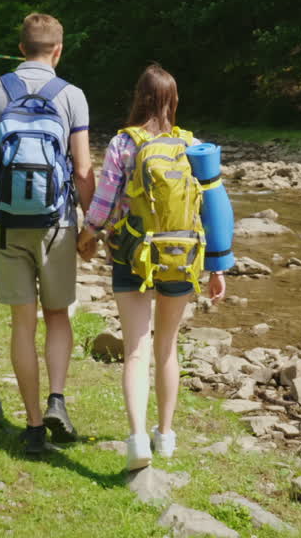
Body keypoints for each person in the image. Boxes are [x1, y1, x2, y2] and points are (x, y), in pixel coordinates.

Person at [77, 63, 225, 471]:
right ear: (173, 101)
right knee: (168, 349)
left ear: (138, 98)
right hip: (182, 257)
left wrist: (87, 233)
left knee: (137, 351)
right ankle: (167, 436)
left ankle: (138, 438)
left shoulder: (124, 143)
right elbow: (212, 210)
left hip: (132, 257)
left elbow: (105, 203)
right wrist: (217, 267)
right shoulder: (192, 145)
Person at [0, 13, 95, 457]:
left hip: (5, 221)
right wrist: (91, 225)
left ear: (20, 48)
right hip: (56, 223)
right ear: (58, 50)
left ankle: (35, 426)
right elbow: (81, 170)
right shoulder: (72, 96)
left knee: (23, 322)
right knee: (57, 315)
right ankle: (58, 398)